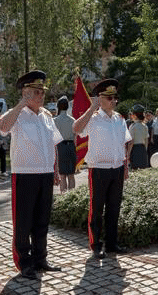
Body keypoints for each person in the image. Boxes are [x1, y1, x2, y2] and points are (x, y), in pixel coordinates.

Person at [0, 70, 63, 280]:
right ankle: (24, 262)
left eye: (42, 92)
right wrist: (20, 105)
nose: (41, 96)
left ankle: (40, 258)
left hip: (45, 173)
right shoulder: (17, 115)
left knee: (42, 220)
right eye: (36, 92)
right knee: (23, 221)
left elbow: (54, 144)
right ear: (25, 93)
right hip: (24, 174)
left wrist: (56, 170)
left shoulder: (46, 116)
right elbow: (2, 128)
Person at [73, 79, 132, 259]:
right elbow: (76, 128)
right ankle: (96, 244)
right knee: (97, 208)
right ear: (100, 99)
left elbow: (124, 143)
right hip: (98, 169)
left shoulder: (119, 118)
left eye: (115, 97)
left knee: (114, 207)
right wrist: (92, 108)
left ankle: (112, 243)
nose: (114, 101)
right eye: (110, 98)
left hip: (117, 168)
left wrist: (125, 165)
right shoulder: (93, 118)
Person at [53, 96, 76, 193]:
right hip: (71, 146)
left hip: (60, 147)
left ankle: (63, 195)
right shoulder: (73, 120)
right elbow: (75, 136)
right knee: (71, 175)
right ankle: (72, 197)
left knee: (62, 176)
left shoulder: (54, 120)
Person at [128, 105, 149, 170]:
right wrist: (145, 150)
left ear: (134, 115)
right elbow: (146, 141)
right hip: (143, 149)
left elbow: (131, 142)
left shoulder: (133, 126)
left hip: (135, 150)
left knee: (135, 170)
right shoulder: (145, 126)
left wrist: (128, 153)